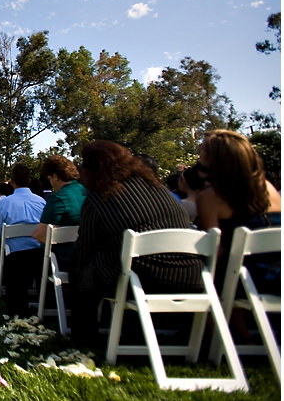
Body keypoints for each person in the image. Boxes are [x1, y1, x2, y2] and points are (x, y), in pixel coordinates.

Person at [71, 140, 203, 350]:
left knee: (84, 272)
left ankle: (84, 338)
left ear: (92, 169)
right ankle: (132, 331)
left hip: (144, 279)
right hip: (191, 275)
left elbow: (85, 248)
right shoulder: (158, 189)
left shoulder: (100, 197)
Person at [195, 129, 281, 286]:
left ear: (215, 161)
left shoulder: (210, 198)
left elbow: (213, 252)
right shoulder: (269, 188)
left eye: (202, 155)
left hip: (244, 281)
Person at [0, 164, 46, 317]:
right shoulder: (41, 202)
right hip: (39, 255)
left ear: (12, 182)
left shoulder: (5, 203)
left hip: (15, 256)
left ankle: (16, 305)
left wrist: (4, 240)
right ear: (29, 180)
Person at [32, 155, 87, 271]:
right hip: (87, 255)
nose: (51, 183)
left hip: (63, 258)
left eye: (50, 178)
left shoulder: (57, 198)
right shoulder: (85, 190)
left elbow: (42, 236)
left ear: (55, 177)